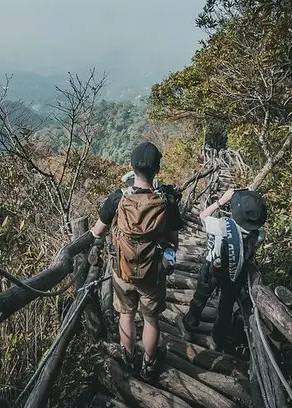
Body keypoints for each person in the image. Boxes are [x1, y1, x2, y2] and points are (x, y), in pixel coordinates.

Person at [90, 142, 182, 381]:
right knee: (151, 319)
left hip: (123, 271)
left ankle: (129, 359)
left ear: (131, 166)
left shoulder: (117, 199)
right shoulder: (166, 201)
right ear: (157, 169)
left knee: (126, 314)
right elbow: (173, 241)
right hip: (153, 273)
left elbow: (97, 231)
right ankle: (148, 366)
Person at [178, 188, 267, 351]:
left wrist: (221, 201)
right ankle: (217, 340)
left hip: (212, 269)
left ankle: (189, 327)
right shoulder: (259, 234)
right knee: (226, 308)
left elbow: (203, 215)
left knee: (200, 298)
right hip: (236, 275)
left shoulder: (221, 225)